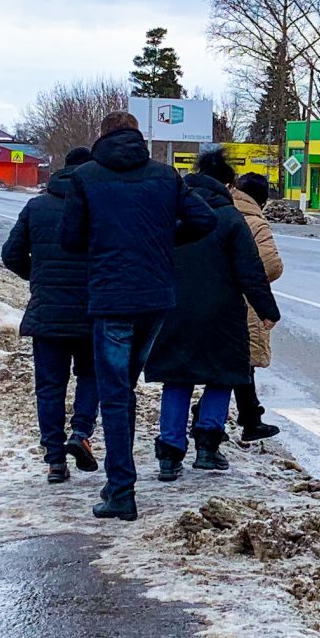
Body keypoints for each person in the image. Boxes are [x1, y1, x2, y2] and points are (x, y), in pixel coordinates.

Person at [57, 111, 215, 520]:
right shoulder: (165, 176)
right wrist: (162, 240)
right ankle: (119, 487)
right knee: (124, 386)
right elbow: (204, 219)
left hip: (111, 298)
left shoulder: (86, 177)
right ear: (138, 137)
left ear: (102, 136)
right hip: (155, 299)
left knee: (114, 395)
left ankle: (121, 491)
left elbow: (70, 240)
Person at [145, 147, 281, 480]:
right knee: (221, 377)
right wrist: (267, 311)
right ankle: (207, 448)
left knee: (177, 380)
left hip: (172, 310)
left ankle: (170, 454)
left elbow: (149, 259)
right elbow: (250, 270)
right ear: (226, 184)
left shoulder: (171, 213)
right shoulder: (231, 217)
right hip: (222, 314)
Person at [0, 144, 98, 482]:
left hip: (48, 313)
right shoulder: (99, 207)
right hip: (92, 309)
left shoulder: (37, 206)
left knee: (50, 387)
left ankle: (55, 460)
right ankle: (80, 432)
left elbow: (11, 255)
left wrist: (39, 277)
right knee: (92, 376)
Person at [229, 171, 284, 442]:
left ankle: (250, 416)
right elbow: (271, 265)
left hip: (214, 300)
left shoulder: (218, 211)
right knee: (240, 361)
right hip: (245, 301)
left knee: (236, 362)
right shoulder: (255, 223)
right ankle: (207, 417)